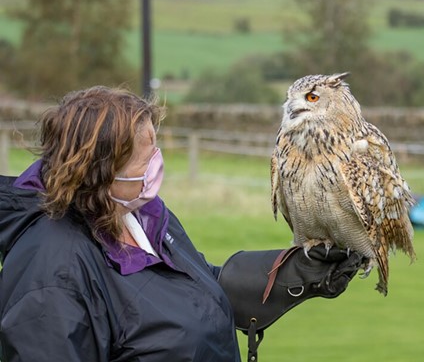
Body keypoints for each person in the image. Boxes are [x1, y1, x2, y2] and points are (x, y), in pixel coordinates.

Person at [0, 86, 363, 362]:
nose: (157, 164)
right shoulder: (49, 270)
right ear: (100, 170)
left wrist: (288, 274)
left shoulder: (143, 214)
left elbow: (189, 289)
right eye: (145, 158)